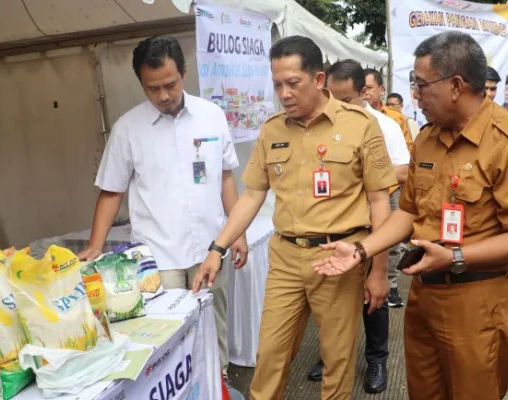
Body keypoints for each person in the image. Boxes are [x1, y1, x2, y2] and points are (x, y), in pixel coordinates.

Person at [312, 31, 508, 399]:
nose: (416, 96)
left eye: (422, 85)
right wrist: (362, 250)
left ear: (456, 85)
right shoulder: (427, 137)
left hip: (478, 301)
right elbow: (408, 210)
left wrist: (456, 256)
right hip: (424, 294)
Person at [191, 36, 397, 400]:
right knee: (269, 354)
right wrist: (216, 248)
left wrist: (378, 270)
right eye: (277, 85)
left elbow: (380, 201)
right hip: (285, 257)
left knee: (337, 358)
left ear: (318, 79)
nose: (284, 94)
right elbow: (253, 194)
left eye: (293, 83)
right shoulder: (272, 129)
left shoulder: (360, 125)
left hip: (339, 258)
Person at [76, 35, 248, 389]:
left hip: (212, 246)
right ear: (141, 83)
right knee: (167, 333)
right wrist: (96, 243)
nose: (164, 95)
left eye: (170, 84)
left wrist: (239, 231)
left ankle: (219, 384)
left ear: (184, 73)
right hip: (159, 254)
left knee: (215, 320)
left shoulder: (211, 115)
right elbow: (111, 191)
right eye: (153, 88)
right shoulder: (127, 128)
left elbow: (225, 179)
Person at [303, 58, 410, 393]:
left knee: (373, 293)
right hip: (332, 224)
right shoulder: (318, 123)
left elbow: (405, 171)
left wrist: (370, 172)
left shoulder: (382, 125)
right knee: (330, 295)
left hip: (371, 222)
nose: (335, 105)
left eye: (344, 99)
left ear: (364, 92)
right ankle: (333, 355)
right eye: (329, 96)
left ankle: (376, 358)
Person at [364, 68, 414, 152]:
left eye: (369, 88)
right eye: (361, 88)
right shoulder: (351, 115)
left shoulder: (396, 117)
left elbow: (407, 149)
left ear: (382, 89)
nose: (365, 92)